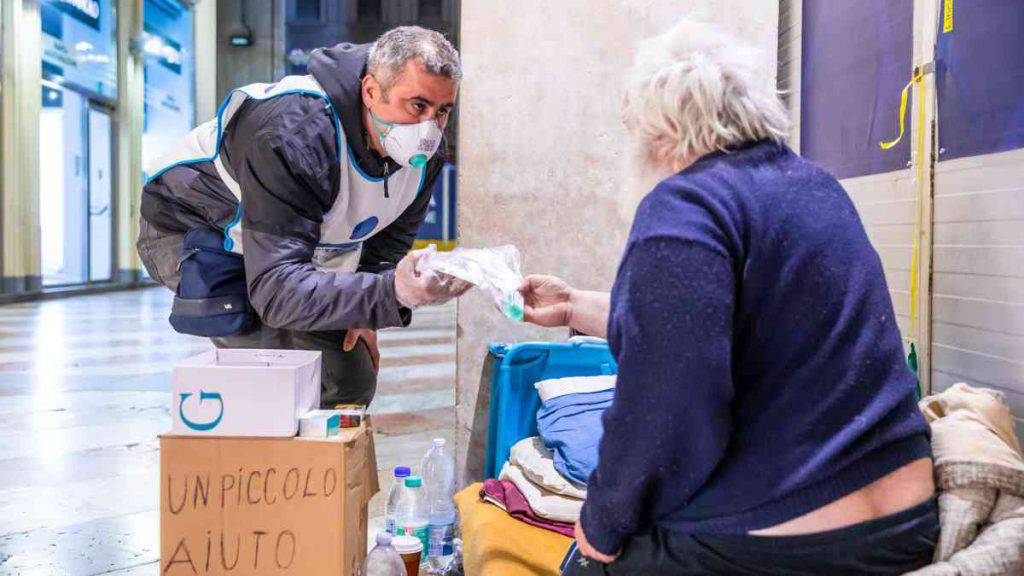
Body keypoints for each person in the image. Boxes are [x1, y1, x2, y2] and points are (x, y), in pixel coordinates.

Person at [520, 19, 938, 576]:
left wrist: (602, 522)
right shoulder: (816, 187)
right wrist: (573, 306)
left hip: (788, 540)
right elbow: (715, 325)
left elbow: (665, 406)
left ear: (663, 132)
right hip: (903, 524)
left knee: (585, 563)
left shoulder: (681, 205)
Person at [137, 26, 469, 407]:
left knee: (349, 379)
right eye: (417, 106)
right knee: (285, 380)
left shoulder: (425, 157)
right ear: (371, 91)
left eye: (442, 111)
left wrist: (368, 310)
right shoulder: (293, 134)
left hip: (287, 239)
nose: (429, 129)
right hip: (198, 223)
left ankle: (320, 459)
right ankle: (255, 462)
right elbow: (277, 291)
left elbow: (386, 242)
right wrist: (390, 292)